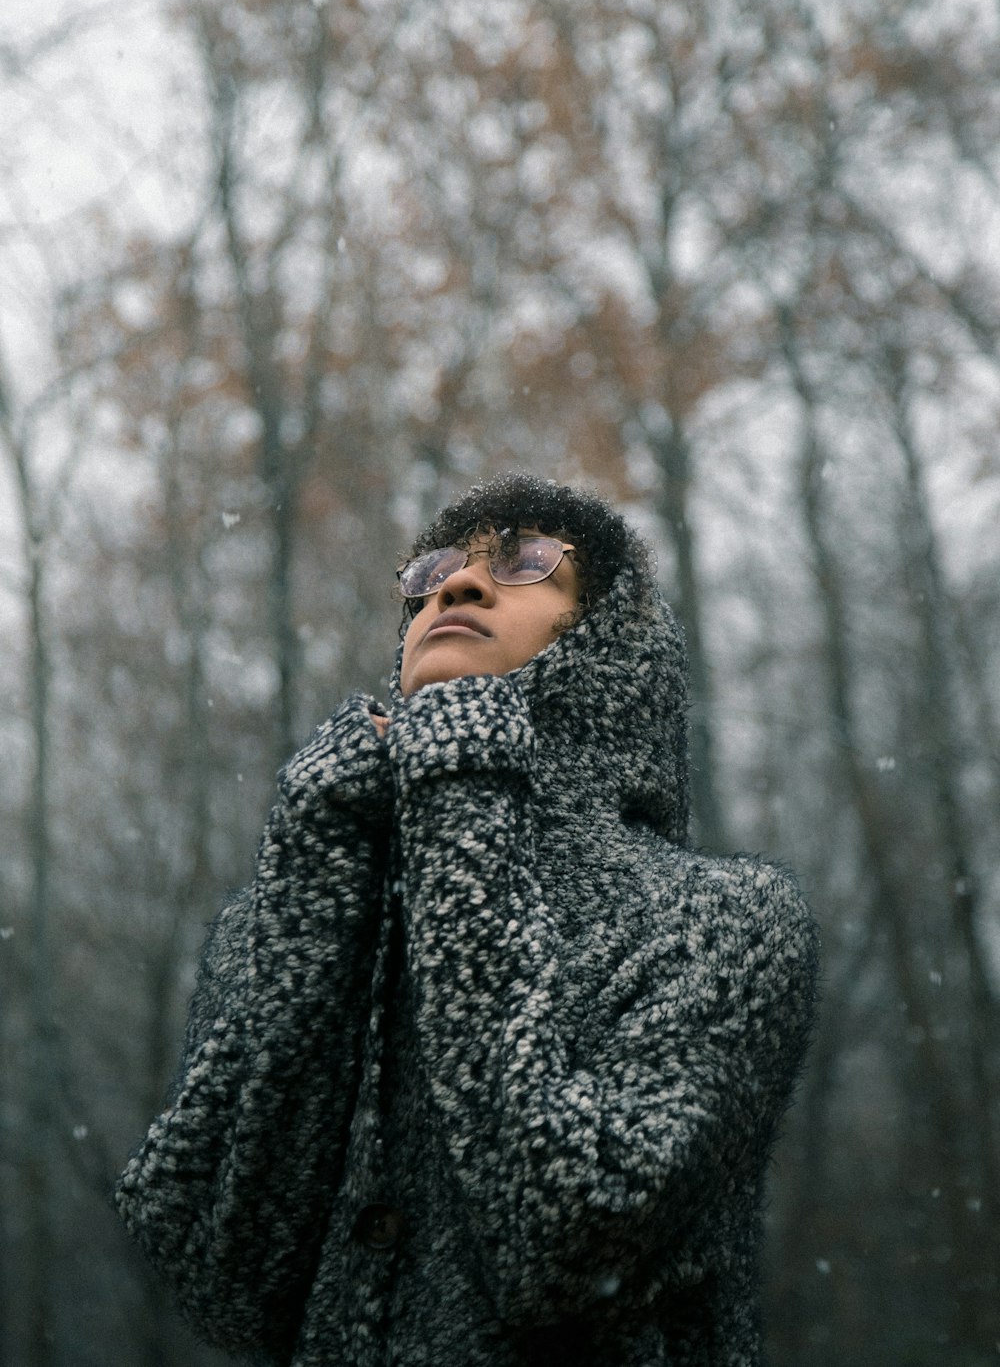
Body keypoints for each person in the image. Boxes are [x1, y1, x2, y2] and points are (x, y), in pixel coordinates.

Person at [115, 472, 819, 1367]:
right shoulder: (283, 919)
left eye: (527, 563)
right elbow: (227, 1286)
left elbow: (567, 1246)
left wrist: (466, 792)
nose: (457, 584)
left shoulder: (722, 920)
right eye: (434, 570)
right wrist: (322, 874)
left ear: (607, 647)